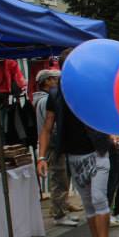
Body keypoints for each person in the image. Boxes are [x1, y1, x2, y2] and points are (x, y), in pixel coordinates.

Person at [37, 52, 114, 237]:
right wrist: (41, 157)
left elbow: (109, 109)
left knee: (99, 199)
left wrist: (114, 133)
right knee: (89, 205)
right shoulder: (55, 95)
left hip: (97, 151)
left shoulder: (91, 86)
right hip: (74, 156)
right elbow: (47, 127)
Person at [32, 69, 78, 227]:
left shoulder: (42, 99)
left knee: (61, 178)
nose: (57, 81)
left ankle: (61, 208)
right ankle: (59, 214)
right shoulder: (46, 100)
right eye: (54, 79)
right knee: (59, 178)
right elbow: (50, 125)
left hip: (53, 143)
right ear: (47, 81)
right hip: (53, 144)